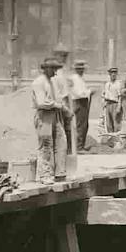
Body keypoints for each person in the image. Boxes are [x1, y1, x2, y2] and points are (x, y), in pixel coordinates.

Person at [30, 55, 69, 184]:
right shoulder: (38, 82)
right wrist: (58, 105)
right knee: (46, 145)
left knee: (61, 141)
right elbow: (42, 102)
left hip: (55, 115)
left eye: (56, 68)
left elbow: (58, 97)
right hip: (44, 115)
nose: (55, 71)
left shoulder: (53, 82)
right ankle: (44, 175)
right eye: (53, 68)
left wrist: (62, 107)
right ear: (46, 69)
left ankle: (60, 172)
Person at [69, 58, 94, 154]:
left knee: (85, 125)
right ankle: (79, 147)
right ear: (76, 69)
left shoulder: (81, 78)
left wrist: (88, 92)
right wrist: (89, 92)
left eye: (82, 69)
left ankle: (82, 145)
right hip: (79, 102)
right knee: (80, 125)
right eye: (80, 69)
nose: (82, 70)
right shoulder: (74, 79)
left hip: (84, 102)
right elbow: (78, 93)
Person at [101, 65, 123, 139]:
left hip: (115, 104)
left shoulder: (118, 84)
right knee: (108, 123)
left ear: (116, 74)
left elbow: (120, 96)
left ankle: (117, 140)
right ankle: (111, 140)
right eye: (112, 73)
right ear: (109, 74)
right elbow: (103, 95)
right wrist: (104, 104)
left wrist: (119, 107)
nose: (113, 74)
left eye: (115, 73)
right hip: (108, 104)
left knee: (116, 122)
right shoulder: (107, 84)